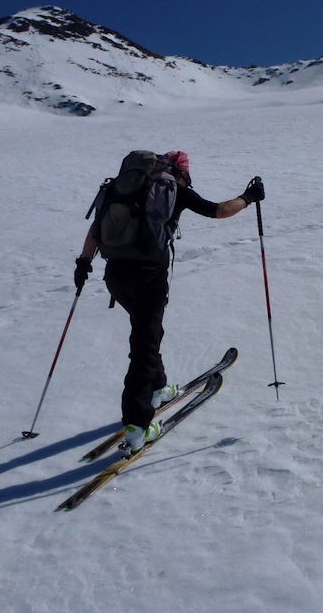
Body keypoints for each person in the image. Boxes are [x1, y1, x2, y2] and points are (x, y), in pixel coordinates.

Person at [74, 151, 265, 452]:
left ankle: (158, 388)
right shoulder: (175, 192)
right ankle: (137, 426)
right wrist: (248, 197)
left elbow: (96, 227)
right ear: (182, 172)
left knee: (146, 332)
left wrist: (84, 262)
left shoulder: (122, 189)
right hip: (148, 278)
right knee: (143, 347)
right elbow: (219, 211)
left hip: (115, 276)